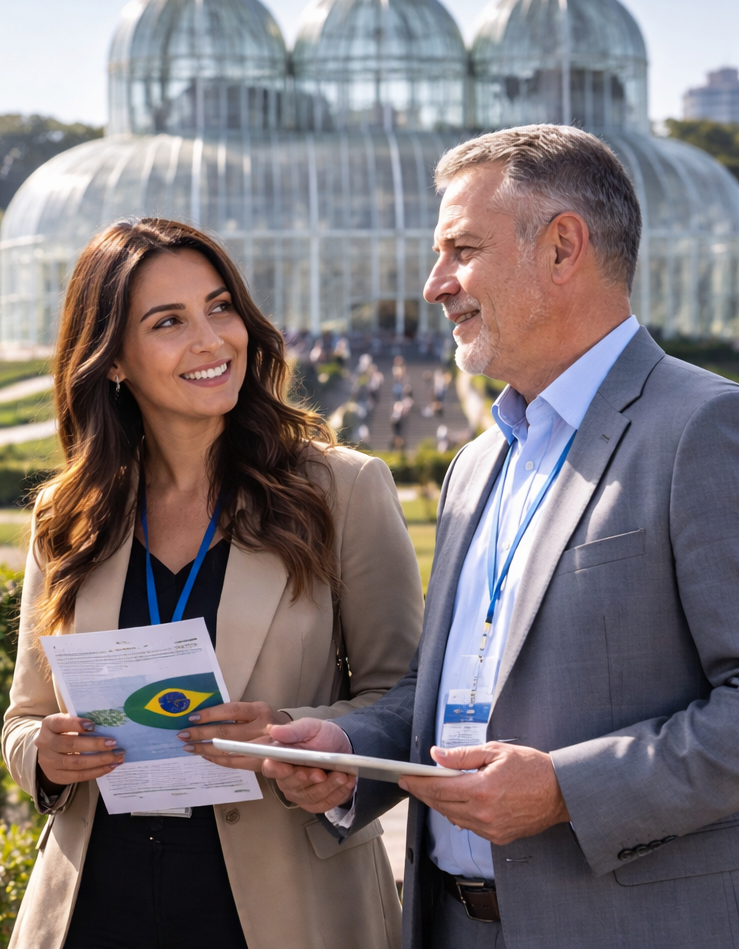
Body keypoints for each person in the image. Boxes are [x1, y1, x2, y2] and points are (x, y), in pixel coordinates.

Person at [262, 124, 739, 948]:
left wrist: (566, 791)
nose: (432, 284)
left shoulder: (703, 428)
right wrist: (349, 748)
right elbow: (442, 695)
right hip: (451, 925)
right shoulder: (479, 463)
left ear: (562, 248)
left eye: (461, 249)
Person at [1, 218, 424, 949]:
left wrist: (307, 740)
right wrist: (45, 754)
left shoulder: (343, 489)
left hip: (285, 904)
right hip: (96, 903)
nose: (212, 339)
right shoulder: (64, 516)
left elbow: (408, 694)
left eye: (221, 307)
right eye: (169, 321)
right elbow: (23, 720)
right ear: (113, 362)